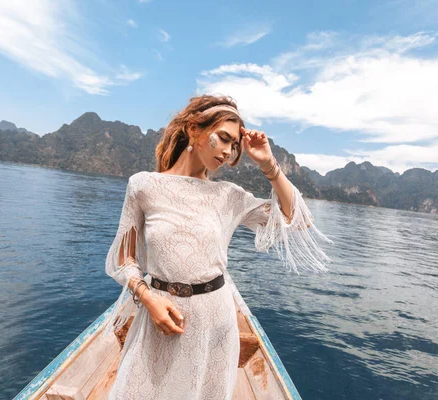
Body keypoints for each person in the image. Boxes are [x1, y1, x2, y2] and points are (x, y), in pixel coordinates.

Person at [105, 94, 332, 399]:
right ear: (193, 129)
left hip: (214, 322)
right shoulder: (143, 186)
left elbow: (298, 218)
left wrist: (268, 163)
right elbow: (124, 258)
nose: (227, 151)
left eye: (234, 146)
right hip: (160, 315)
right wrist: (148, 299)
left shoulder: (229, 195)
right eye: (223, 138)